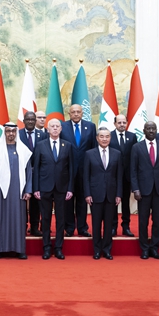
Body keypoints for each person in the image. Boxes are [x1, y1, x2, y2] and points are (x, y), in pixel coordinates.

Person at [0, 123, 32, 259]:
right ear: (4, 133)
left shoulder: (23, 150)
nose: (11, 133)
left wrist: (28, 190)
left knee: (18, 219)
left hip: (18, 191)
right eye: (8, 131)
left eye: (13, 131)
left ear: (16, 133)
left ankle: (19, 249)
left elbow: (29, 172)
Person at [131, 121, 159, 260]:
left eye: (153, 128)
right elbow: (133, 171)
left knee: (158, 221)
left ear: (156, 130)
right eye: (148, 128)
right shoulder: (137, 147)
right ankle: (144, 248)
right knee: (143, 221)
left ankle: (154, 248)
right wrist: (135, 189)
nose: (151, 131)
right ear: (144, 131)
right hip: (143, 191)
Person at [32, 119, 73, 259]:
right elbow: (36, 168)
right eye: (52, 126)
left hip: (62, 187)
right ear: (48, 129)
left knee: (61, 219)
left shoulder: (67, 145)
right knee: (45, 218)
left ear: (61, 129)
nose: (55, 128)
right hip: (44, 187)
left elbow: (71, 169)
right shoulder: (40, 145)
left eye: (57, 126)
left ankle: (59, 248)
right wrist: (36, 188)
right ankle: (46, 247)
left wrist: (70, 188)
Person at [84, 127, 122, 260]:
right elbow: (86, 176)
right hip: (95, 194)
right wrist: (87, 194)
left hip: (111, 195)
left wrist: (118, 194)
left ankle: (107, 250)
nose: (104, 139)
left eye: (107, 136)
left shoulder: (117, 154)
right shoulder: (89, 154)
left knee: (109, 224)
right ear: (97, 138)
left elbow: (119, 176)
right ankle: (96, 250)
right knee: (96, 224)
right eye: (102, 136)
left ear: (110, 138)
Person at [61, 104, 96, 237]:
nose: (76, 114)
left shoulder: (91, 126)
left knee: (82, 200)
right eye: (73, 112)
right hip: (67, 171)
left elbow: (93, 149)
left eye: (78, 112)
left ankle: (82, 227)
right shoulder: (63, 126)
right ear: (69, 114)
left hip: (85, 171)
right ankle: (69, 228)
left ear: (82, 113)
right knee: (68, 201)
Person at [109, 114, 137, 237]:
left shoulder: (132, 136)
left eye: (124, 122)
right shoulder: (109, 136)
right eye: (119, 122)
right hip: (112, 176)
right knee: (112, 203)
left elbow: (134, 156)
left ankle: (126, 227)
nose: (122, 125)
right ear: (114, 123)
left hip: (127, 176)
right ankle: (113, 227)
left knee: (126, 203)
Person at [19, 111, 45, 236]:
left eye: (32, 119)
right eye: (27, 119)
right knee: (21, 200)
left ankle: (34, 227)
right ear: (23, 121)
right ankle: (22, 226)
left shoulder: (42, 135)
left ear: (35, 121)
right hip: (21, 173)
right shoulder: (17, 134)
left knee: (36, 201)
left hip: (38, 174)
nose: (30, 121)